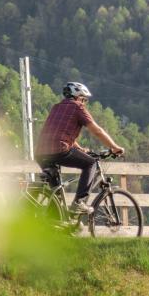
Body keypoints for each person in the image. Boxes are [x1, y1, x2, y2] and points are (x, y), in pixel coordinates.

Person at [36, 82, 125, 214]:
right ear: (77, 97)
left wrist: (79, 148)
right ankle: (80, 202)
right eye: (84, 99)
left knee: (56, 195)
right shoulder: (78, 107)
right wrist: (114, 147)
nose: (84, 102)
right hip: (59, 150)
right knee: (91, 163)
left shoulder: (56, 107)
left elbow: (59, 133)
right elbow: (97, 131)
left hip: (41, 153)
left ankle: (58, 225)